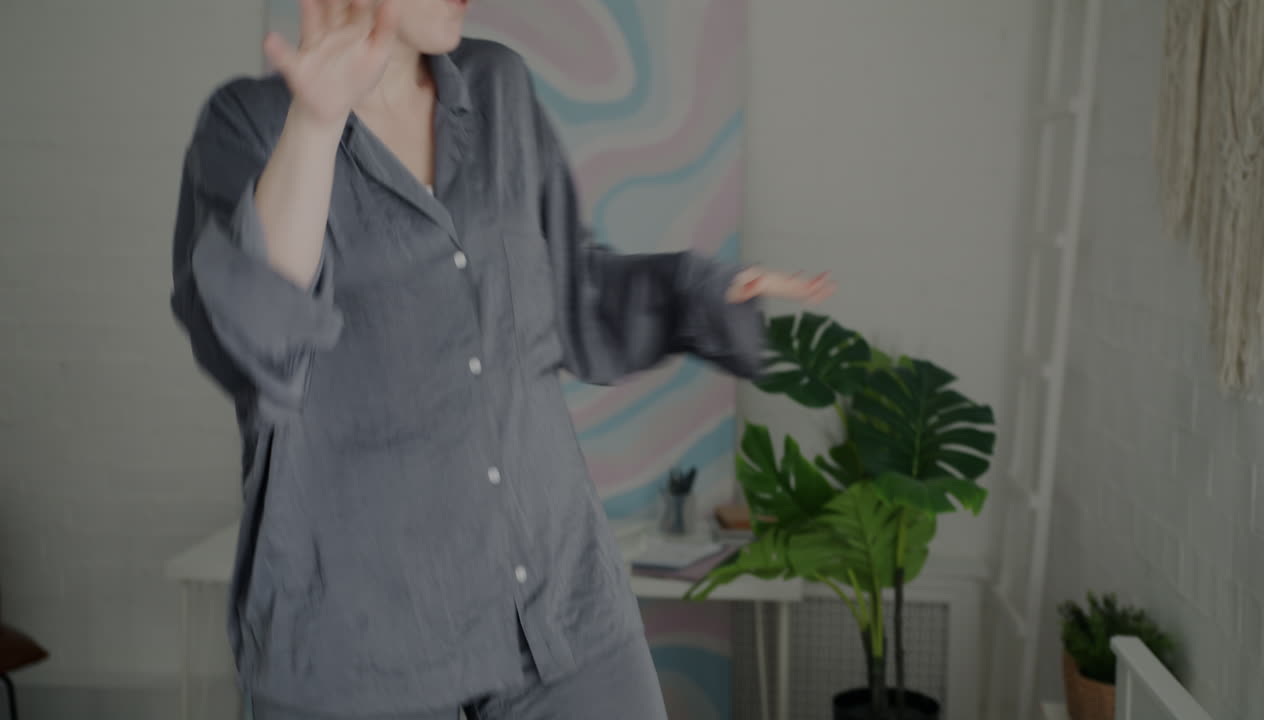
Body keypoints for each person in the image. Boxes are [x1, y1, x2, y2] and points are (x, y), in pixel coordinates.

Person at [169, 1, 833, 718]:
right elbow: (255, 344)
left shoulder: (497, 88)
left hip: (555, 605)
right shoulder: (248, 126)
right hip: (356, 639)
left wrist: (698, 288)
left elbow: (565, 288)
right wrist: (317, 125)